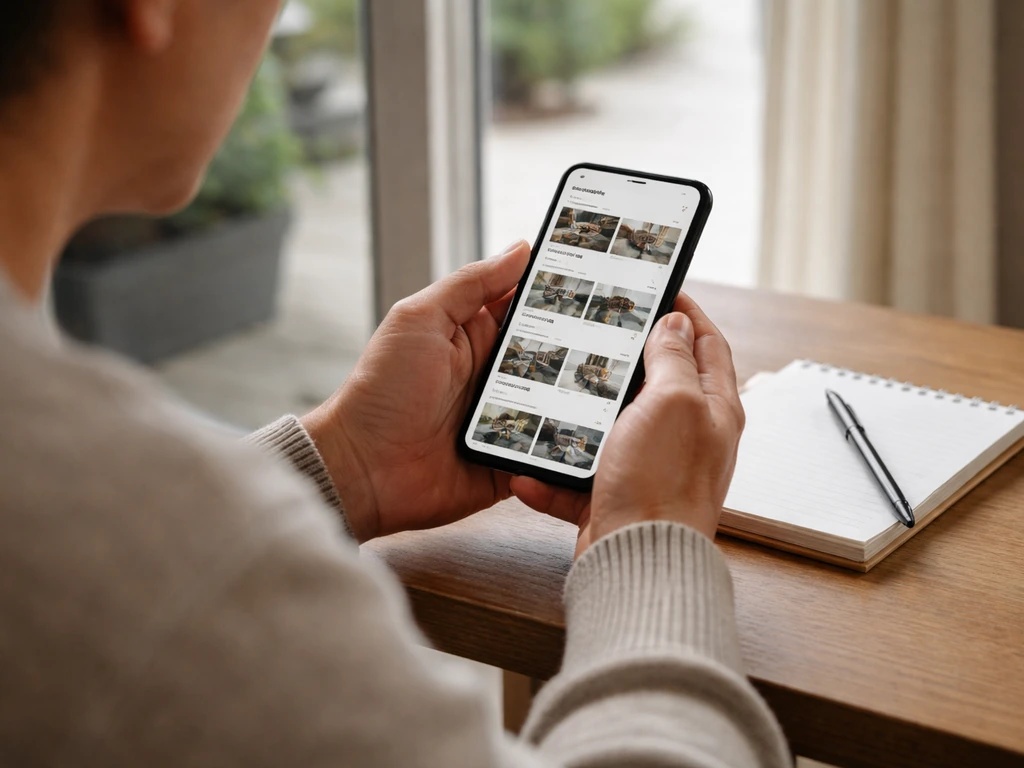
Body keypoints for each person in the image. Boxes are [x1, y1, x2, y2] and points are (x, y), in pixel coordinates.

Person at [0, 2, 790, 767]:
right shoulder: (186, 575)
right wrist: (652, 535)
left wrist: (345, 461)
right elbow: (150, 570)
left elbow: (122, 567)